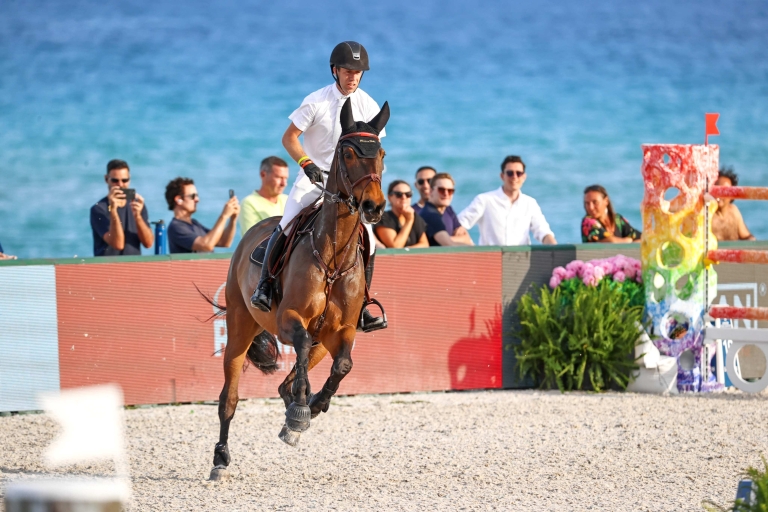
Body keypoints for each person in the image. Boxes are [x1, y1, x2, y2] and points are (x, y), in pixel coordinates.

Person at [250, 41, 387, 332]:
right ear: (335, 70)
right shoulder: (316, 101)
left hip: (350, 185)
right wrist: (305, 163)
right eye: (348, 71)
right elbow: (289, 138)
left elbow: (374, 153)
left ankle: (362, 306)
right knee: (287, 223)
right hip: (314, 177)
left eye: (358, 72)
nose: (353, 77)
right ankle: (263, 286)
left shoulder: (370, 105)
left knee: (371, 241)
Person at [458, 156, 556, 246]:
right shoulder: (485, 200)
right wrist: (471, 246)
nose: (514, 177)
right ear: (502, 176)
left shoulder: (530, 203)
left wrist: (556, 251)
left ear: (524, 177)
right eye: (510, 173)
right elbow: (459, 224)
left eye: (518, 173)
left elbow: (543, 232)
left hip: (521, 261)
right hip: (490, 261)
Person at [90, 159, 154, 256]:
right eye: (115, 180)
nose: (120, 185)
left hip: (133, 266)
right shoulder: (99, 209)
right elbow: (118, 244)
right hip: (108, 268)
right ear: (106, 179)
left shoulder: (137, 205)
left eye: (125, 180)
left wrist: (138, 217)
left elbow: (148, 243)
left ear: (129, 179)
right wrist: (113, 210)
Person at [165, 177, 240, 253]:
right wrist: (224, 216)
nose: (197, 200)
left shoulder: (194, 223)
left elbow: (224, 242)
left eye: (197, 196)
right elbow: (206, 245)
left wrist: (233, 219)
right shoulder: (176, 227)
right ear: (179, 200)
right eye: (192, 196)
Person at [420, 173, 475, 247]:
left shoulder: (448, 210)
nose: (446, 194)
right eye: (441, 190)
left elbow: (467, 239)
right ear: (431, 191)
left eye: (450, 191)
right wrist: (468, 245)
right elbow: (448, 245)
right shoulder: (430, 215)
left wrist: (449, 238)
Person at [239, 156, 290, 234]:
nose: (284, 183)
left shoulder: (288, 200)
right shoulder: (249, 203)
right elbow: (253, 239)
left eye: (285, 178)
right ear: (263, 175)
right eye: (279, 177)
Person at [375, 180, 429, 248]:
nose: (404, 197)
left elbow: (425, 245)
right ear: (389, 197)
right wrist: (409, 221)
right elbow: (395, 247)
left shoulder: (415, 217)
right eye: (399, 194)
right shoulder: (383, 218)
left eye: (408, 194)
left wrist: (407, 250)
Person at [712, 167, 755, 241]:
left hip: (733, 252)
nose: (719, 195)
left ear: (732, 196)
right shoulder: (708, 214)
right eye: (717, 190)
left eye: (724, 191)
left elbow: (747, 236)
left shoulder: (734, 212)